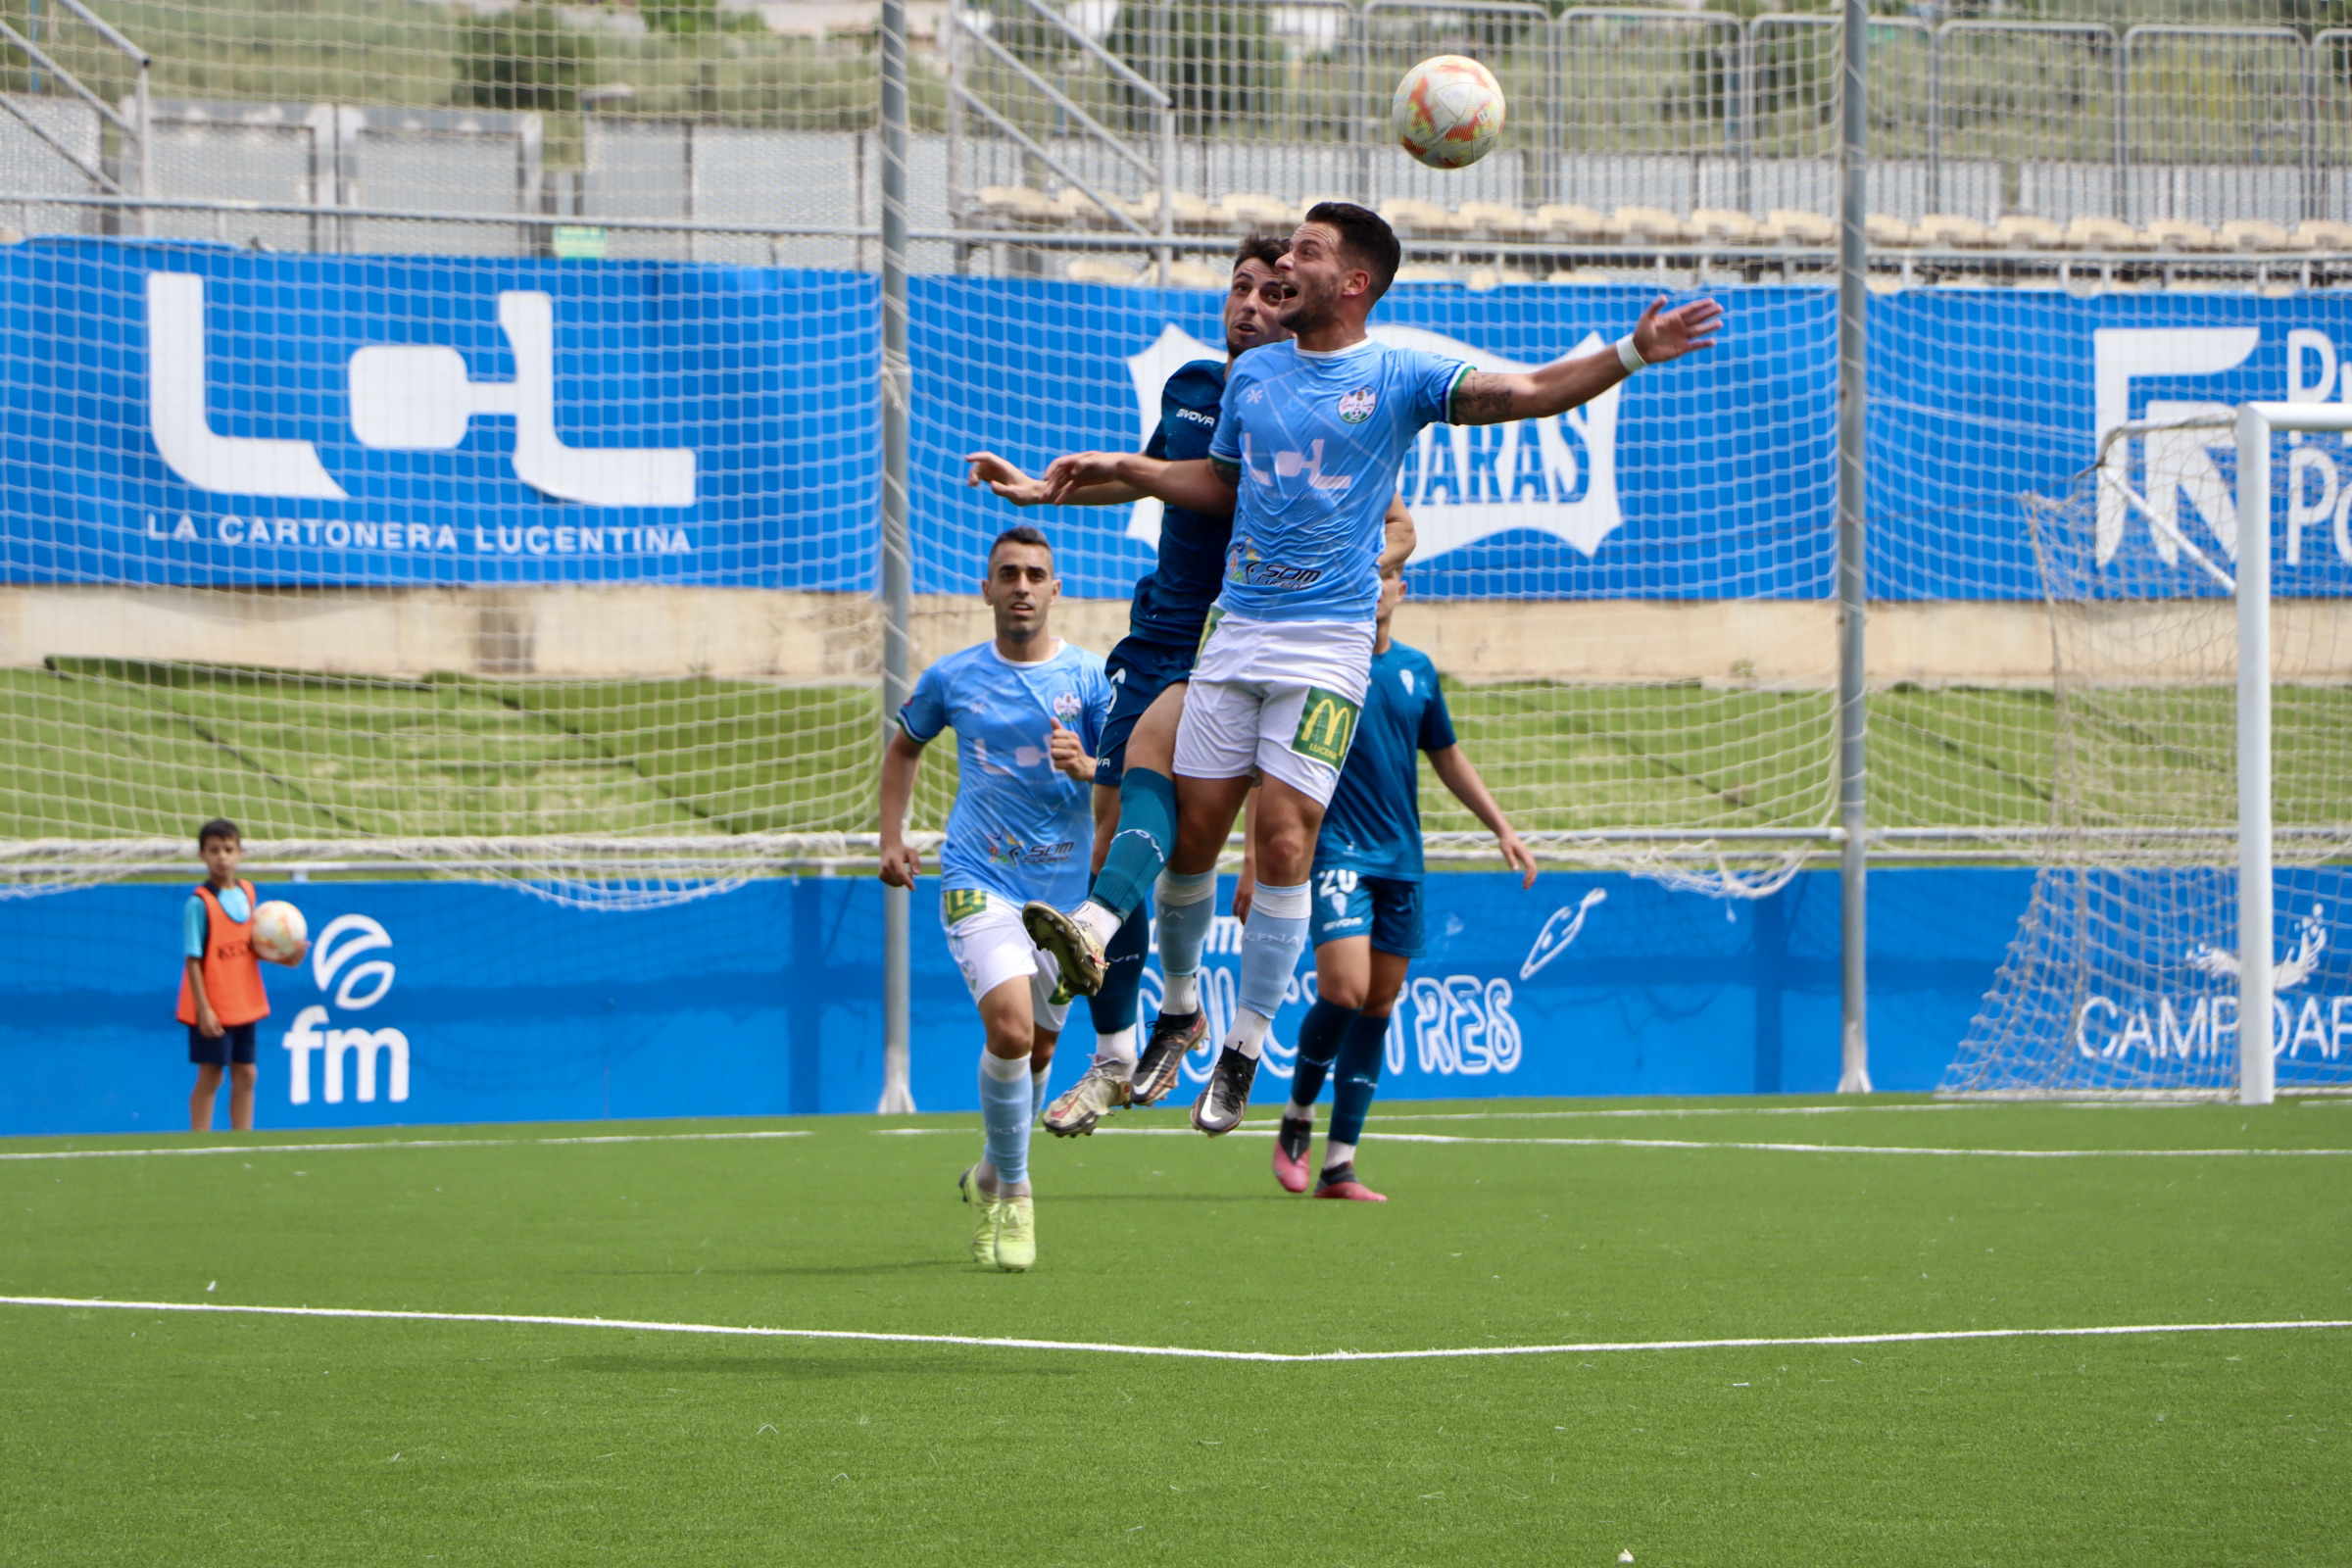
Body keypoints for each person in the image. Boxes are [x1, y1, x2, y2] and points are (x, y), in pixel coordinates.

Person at [1024, 202, 1722, 1136]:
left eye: (1305, 253)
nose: (1284, 265)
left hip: (1324, 647)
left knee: (1281, 843)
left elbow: (1524, 393)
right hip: (1235, 634)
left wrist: (1630, 354)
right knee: (1189, 840)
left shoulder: (1398, 373)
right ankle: (1180, 1012)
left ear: (1352, 282)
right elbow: (1220, 485)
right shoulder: (1254, 374)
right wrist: (1133, 468)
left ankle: (1243, 1050)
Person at [962, 233, 1414, 1138]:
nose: (1251, 302)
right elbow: (1154, 480)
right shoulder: (1196, 390)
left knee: (1149, 783)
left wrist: (1370, 572)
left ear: (1302, 304)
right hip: (1166, 624)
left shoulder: (1321, 397)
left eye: (1272, 290)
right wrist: (1043, 492)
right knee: (1121, 841)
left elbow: (1398, 526)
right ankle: (1139, 1037)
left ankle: (1149, 995)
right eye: (1239, 287)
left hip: (1252, 636)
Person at [1242, 560, 1537, 1201]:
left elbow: (1447, 755)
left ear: (1403, 589)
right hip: (1337, 853)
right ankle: (1296, 1115)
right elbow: (1264, 767)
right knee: (1344, 991)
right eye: (1366, 572)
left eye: (1389, 574)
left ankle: (1339, 1164)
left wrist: (1501, 827)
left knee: (1378, 1006)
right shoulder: (1313, 667)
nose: (1377, 585)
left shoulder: (1416, 671)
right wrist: (1250, 862)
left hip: (1401, 860)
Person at [876, 525, 1110, 1272]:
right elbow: (904, 747)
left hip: (1065, 901)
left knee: (1039, 1047)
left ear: (1055, 589)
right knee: (1010, 1031)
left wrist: (1090, 766)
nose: (1021, 586)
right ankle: (1014, 1191)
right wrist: (893, 834)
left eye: (1035, 574)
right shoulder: (952, 678)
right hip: (980, 878)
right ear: (985, 588)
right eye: (1007, 573)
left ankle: (984, 1171)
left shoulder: (1093, 680)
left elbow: (1131, 783)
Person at [178, 818, 306, 1133]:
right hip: (213, 1004)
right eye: (213, 850)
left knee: (247, 1073)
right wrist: (204, 1008)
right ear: (202, 855)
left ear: (240, 853)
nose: (222, 856)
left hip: (242, 1001)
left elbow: (248, 948)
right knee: (212, 1075)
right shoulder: (199, 903)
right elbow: (194, 959)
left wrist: (286, 959)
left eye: (228, 849)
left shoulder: (248, 893)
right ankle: (199, 1140)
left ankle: (243, 1140)